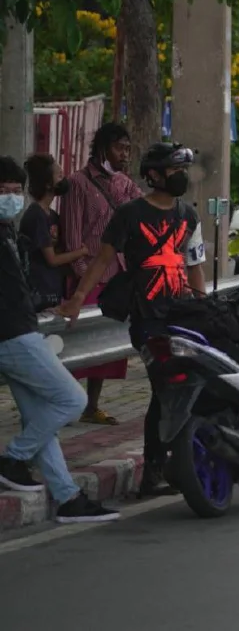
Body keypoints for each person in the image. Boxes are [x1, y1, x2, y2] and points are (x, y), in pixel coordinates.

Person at [59, 142, 207, 498]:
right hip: (148, 319)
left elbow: (195, 265)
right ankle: (154, 469)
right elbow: (101, 260)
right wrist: (78, 297)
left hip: (182, 315)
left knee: (188, 389)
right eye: (173, 170)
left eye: (181, 170)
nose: (180, 177)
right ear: (154, 175)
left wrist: (204, 307)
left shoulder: (188, 214)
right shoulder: (129, 214)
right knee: (163, 390)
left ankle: (180, 459)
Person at [0, 157, 121, 521]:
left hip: (23, 326)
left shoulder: (7, 230)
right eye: (2, 191)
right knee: (71, 400)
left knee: (40, 418)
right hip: (12, 335)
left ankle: (67, 498)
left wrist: (42, 305)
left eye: (14, 191)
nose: (10, 197)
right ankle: (12, 459)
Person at [59, 123, 142, 425]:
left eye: (127, 148)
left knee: (105, 346)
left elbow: (144, 206)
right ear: (104, 147)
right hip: (88, 275)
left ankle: (91, 405)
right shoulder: (77, 183)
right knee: (75, 345)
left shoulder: (124, 183)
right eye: (120, 148)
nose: (124, 154)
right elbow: (71, 236)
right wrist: (83, 277)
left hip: (117, 274)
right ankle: (65, 402)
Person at [20, 154, 88, 311]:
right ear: (47, 184)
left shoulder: (52, 215)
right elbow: (52, 259)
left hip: (52, 291)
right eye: (59, 176)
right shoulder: (36, 215)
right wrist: (81, 252)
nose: (64, 180)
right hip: (38, 294)